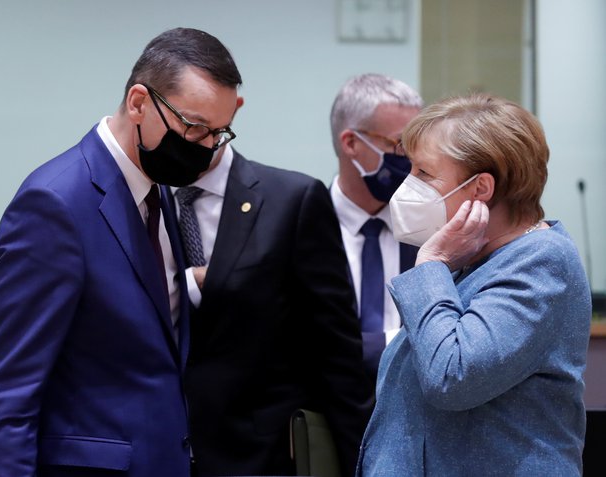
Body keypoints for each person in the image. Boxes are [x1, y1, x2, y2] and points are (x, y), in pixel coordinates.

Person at [0, 27, 243, 476]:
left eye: (219, 133)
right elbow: (4, 399)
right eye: (194, 128)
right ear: (138, 102)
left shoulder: (157, 192)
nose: (207, 149)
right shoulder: (55, 204)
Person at [357, 92, 592, 476]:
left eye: (424, 173)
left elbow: (453, 377)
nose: (408, 184)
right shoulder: (475, 259)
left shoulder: (541, 261)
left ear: (481, 188)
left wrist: (432, 264)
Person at [173, 81, 373, 477]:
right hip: (156, 451)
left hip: (260, 457)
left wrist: (362, 466)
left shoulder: (292, 201)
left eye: (203, 127)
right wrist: (187, 282)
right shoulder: (142, 199)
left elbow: (337, 354)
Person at [329, 73, 423, 384]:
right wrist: (403, 343)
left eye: (416, 146)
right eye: (399, 145)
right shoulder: (299, 226)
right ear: (352, 143)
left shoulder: (432, 230)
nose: (411, 160)